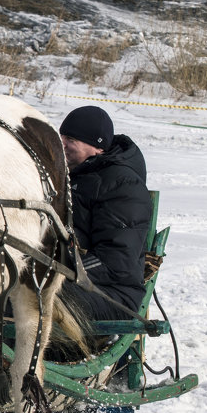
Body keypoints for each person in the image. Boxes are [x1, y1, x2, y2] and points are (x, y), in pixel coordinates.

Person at [59, 105, 153, 321]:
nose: (61, 144)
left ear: (98, 148)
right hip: (74, 281)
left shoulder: (123, 185)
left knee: (20, 305)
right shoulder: (68, 175)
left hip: (112, 294)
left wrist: (58, 272)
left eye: (71, 139)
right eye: (61, 136)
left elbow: (116, 262)